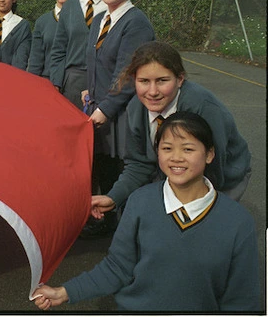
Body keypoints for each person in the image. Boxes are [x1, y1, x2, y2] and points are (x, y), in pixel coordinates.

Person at [32, 112, 261, 312]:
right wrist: (64, 292)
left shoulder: (237, 222)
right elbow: (117, 267)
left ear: (209, 154)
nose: (176, 157)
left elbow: (241, 299)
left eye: (188, 149)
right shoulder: (141, 201)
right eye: (167, 148)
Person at [90, 41, 251, 220]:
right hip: (174, 172)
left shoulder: (202, 108)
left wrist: (203, 209)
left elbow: (215, 166)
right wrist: (114, 197)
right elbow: (139, 164)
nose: (152, 92)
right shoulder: (136, 108)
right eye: (144, 81)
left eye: (162, 81)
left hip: (221, 175)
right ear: (134, 80)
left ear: (180, 79)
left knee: (204, 230)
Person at [80, 0, 155, 238]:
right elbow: (97, 63)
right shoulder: (101, 19)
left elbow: (127, 71)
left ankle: (129, 232)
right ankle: (109, 223)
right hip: (101, 108)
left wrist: (105, 109)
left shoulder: (136, 22)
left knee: (126, 170)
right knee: (106, 168)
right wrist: (90, 91)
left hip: (123, 112)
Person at [48, 0, 107, 106]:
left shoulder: (112, 7)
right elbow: (58, 50)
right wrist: (56, 81)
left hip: (103, 82)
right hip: (72, 83)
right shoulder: (69, 7)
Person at [28, 0, 79, 78]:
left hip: (73, 82)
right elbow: (35, 60)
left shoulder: (83, 19)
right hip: (47, 82)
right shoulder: (42, 22)